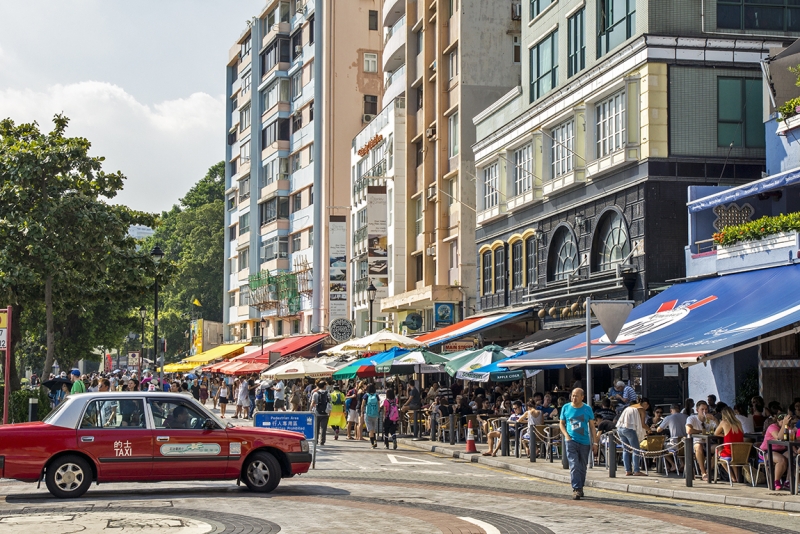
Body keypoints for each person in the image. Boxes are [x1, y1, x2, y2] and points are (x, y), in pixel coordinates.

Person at [559, 388, 597, 500]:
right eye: (572, 395)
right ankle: (576, 488)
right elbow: (561, 423)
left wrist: (595, 442)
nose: (574, 398)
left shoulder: (587, 409)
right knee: (574, 464)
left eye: (576, 396)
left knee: (582, 466)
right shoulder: (566, 407)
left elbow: (592, 427)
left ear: (582, 397)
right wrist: (566, 436)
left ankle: (580, 487)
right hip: (571, 440)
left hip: (584, 442)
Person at [760, 413, 796, 491]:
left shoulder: (787, 427)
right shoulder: (772, 427)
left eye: (786, 421)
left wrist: (795, 451)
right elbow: (779, 437)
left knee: (792, 457)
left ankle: (788, 481)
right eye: (782, 421)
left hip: (781, 450)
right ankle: (776, 482)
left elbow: (790, 440)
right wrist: (784, 425)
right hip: (768, 451)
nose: (784, 423)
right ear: (778, 421)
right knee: (781, 460)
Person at [685, 400, 716, 481]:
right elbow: (688, 430)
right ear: (697, 410)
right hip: (696, 442)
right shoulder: (692, 418)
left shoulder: (709, 420)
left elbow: (718, 429)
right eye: (702, 409)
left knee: (719, 448)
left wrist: (715, 419)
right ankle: (703, 472)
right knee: (699, 447)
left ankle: (709, 470)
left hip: (708, 443)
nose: (704, 411)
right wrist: (701, 431)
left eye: (706, 409)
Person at [616, 402, 647, 477]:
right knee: (636, 449)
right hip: (629, 429)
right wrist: (649, 430)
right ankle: (636, 470)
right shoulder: (641, 409)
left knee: (626, 450)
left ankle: (628, 470)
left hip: (620, 429)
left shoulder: (628, 408)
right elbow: (643, 424)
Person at [713, 407, 744, 482]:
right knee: (733, 459)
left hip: (729, 452)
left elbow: (715, 433)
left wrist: (724, 435)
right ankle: (737, 477)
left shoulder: (724, 422)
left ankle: (732, 477)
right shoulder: (738, 423)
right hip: (740, 452)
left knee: (718, 452)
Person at [310, 381, 331, 446]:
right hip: (325, 413)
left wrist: (310, 411)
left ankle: (315, 440)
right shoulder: (328, 394)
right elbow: (329, 404)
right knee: (323, 428)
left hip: (316, 413)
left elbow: (312, 402)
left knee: (316, 427)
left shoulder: (315, 393)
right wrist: (329, 412)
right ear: (324, 386)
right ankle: (322, 441)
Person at [362, 383, 381, 449]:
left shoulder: (366, 395)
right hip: (375, 414)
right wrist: (377, 411)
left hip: (368, 414)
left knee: (370, 430)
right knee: (373, 429)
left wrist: (362, 412)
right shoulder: (376, 395)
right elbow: (379, 404)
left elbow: (363, 404)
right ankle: (375, 441)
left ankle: (372, 444)